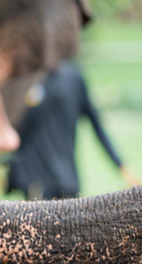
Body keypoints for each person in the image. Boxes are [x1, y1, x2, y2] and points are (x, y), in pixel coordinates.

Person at [8, 61, 138, 200]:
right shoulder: (61, 79)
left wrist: (121, 165)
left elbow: (18, 132)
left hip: (56, 183)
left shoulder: (64, 79)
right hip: (49, 182)